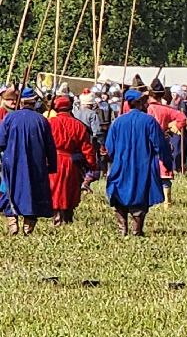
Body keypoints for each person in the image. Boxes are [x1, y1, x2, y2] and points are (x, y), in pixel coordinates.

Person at [105, 88, 171, 237]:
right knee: (140, 195)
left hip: (121, 165)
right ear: (139, 103)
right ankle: (136, 230)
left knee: (119, 194)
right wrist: (166, 161)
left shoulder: (117, 122)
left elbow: (109, 148)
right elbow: (160, 145)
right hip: (143, 165)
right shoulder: (149, 121)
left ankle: (123, 229)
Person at [0, 88, 57, 234]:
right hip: (36, 164)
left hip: (12, 162)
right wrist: (52, 165)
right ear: (34, 102)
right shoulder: (42, 120)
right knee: (33, 192)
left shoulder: (10, 118)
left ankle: (13, 222)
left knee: (11, 190)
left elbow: (1, 142)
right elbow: (50, 146)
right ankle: (28, 226)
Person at [47, 95, 97, 225]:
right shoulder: (78, 125)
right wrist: (92, 165)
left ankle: (57, 217)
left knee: (55, 190)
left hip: (53, 162)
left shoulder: (50, 123)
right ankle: (66, 217)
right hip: (71, 163)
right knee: (69, 190)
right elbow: (87, 148)